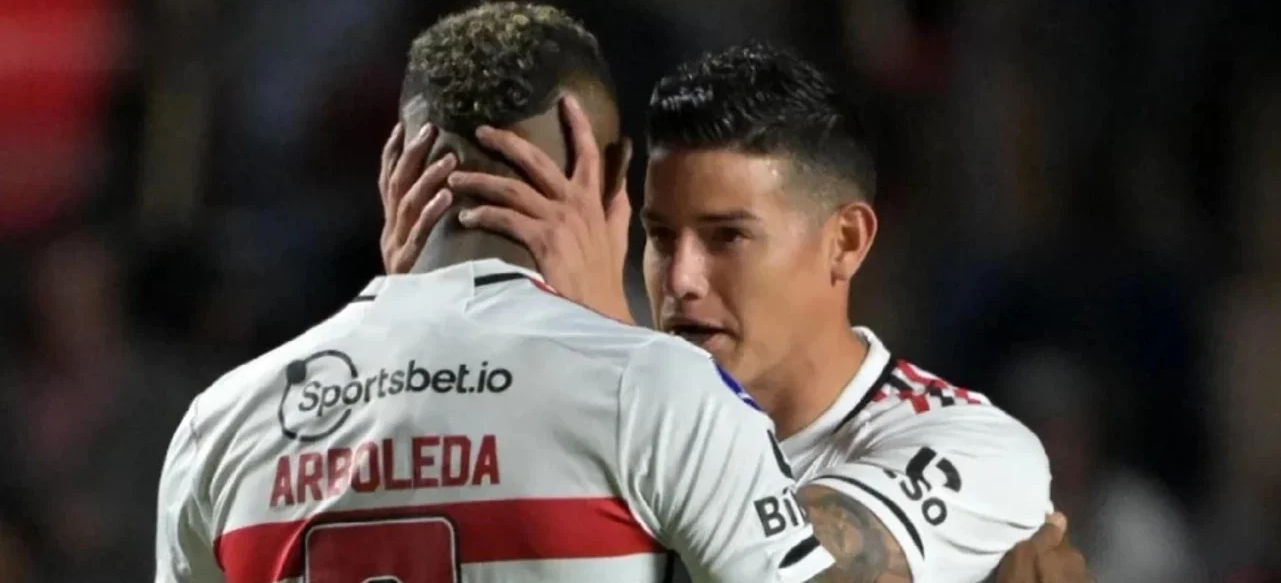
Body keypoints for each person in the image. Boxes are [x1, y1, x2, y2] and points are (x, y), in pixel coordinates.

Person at [154, 4, 838, 582]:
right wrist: (615, 335)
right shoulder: (661, 394)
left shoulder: (219, 424)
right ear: (614, 180)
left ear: (396, 171)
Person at [383, 41, 1093, 582]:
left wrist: (605, 352)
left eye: (728, 238)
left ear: (843, 242)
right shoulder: (591, 404)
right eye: (660, 237)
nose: (682, 278)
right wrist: (413, 324)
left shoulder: (971, 449)